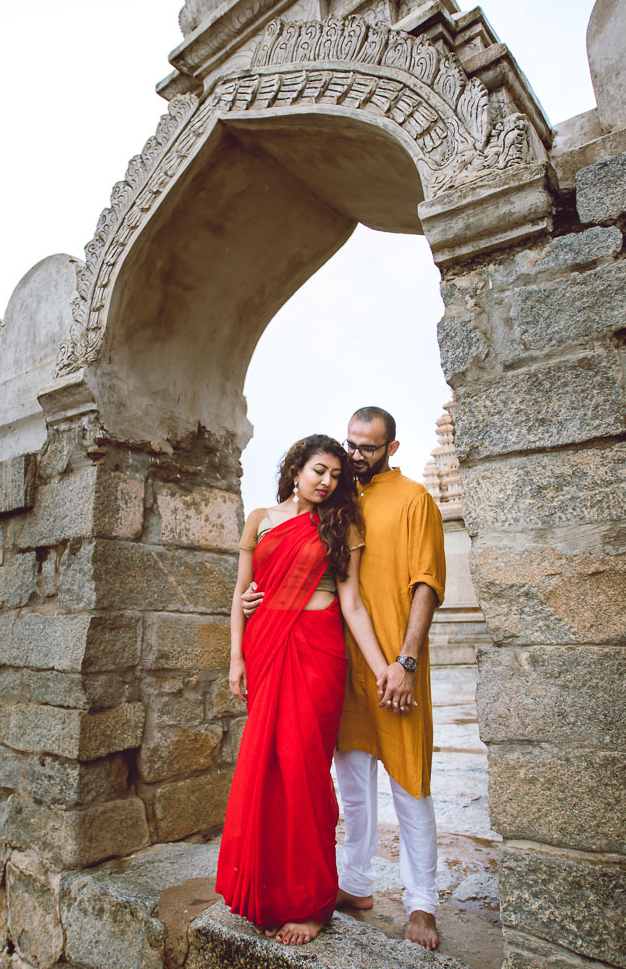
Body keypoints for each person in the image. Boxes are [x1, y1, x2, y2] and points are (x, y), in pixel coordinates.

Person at [241, 407, 447, 950]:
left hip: (387, 666)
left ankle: (421, 902)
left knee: (408, 782)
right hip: (331, 661)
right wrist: (249, 611)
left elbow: (424, 583)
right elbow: (261, 579)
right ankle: (353, 884)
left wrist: (403, 661)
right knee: (349, 786)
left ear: (392, 449)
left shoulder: (411, 501)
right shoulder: (337, 504)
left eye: (368, 449)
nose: (354, 458)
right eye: (350, 446)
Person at [215, 435, 397, 946]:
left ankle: (311, 901)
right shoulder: (261, 519)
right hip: (267, 648)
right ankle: (269, 893)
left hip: (318, 655)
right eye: (319, 470)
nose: (327, 482)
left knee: (303, 770)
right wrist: (236, 658)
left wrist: (384, 666)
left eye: (337, 476)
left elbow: (353, 604)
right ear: (296, 468)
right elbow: (241, 593)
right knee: (265, 768)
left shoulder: (342, 523)